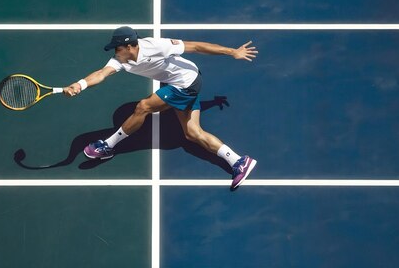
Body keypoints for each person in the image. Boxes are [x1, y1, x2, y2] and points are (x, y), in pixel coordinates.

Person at [63, 26, 258, 189]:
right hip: (177, 82)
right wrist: (80, 84)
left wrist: (233, 52)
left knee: (143, 107)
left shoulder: (156, 46)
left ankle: (108, 146)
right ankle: (239, 161)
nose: (115, 52)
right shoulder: (121, 59)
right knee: (192, 133)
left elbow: (196, 46)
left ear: (130, 46)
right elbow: (101, 73)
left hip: (185, 83)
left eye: (118, 48)